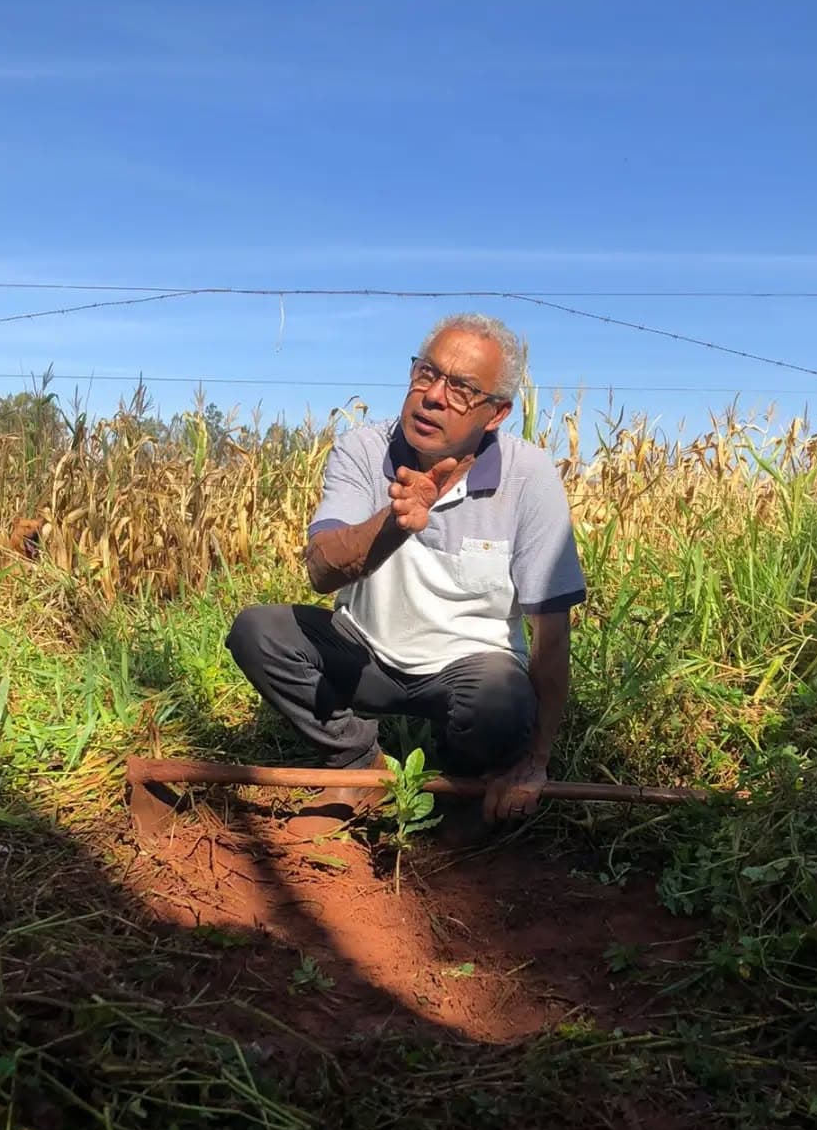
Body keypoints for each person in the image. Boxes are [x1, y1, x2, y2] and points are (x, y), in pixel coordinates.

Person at [226, 312, 586, 829]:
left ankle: (461, 784)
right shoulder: (364, 448)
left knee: (501, 702)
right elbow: (323, 571)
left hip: (471, 668)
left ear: (496, 413)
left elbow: (551, 638)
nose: (434, 396)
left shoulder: (529, 477)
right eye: (427, 374)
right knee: (259, 632)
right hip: (364, 652)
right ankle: (357, 765)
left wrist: (535, 762)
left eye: (461, 388)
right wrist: (394, 524)